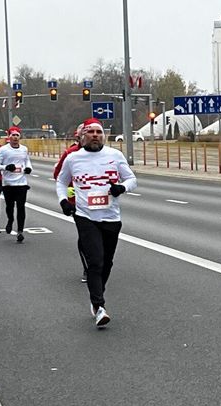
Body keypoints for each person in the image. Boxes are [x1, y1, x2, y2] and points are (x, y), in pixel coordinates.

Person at [56, 118, 137, 327]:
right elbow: (61, 181)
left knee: (107, 262)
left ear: (104, 136)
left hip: (111, 217)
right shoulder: (73, 158)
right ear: (82, 137)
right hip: (86, 216)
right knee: (96, 260)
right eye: (90, 132)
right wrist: (64, 201)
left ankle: (98, 293)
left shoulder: (115, 155)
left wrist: (122, 188)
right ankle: (99, 305)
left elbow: (132, 179)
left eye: (98, 132)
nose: (94, 135)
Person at [53, 123, 89, 282]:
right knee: (85, 235)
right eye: (84, 134)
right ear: (78, 137)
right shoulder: (70, 154)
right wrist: (68, 197)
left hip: (101, 204)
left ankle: (100, 263)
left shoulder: (106, 154)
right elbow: (58, 176)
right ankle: (87, 268)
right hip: (77, 203)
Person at [0, 126, 32, 243]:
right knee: (9, 207)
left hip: (21, 182)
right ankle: (10, 220)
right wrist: (6, 167)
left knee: (21, 207)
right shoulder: (4, 150)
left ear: (20, 137)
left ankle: (20, 231)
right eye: (13, 135)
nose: (15, 137)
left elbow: (27, 161)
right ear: (9, 137)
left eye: (17, 135)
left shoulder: (24, 149)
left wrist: (29, 168)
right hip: (8, 184)